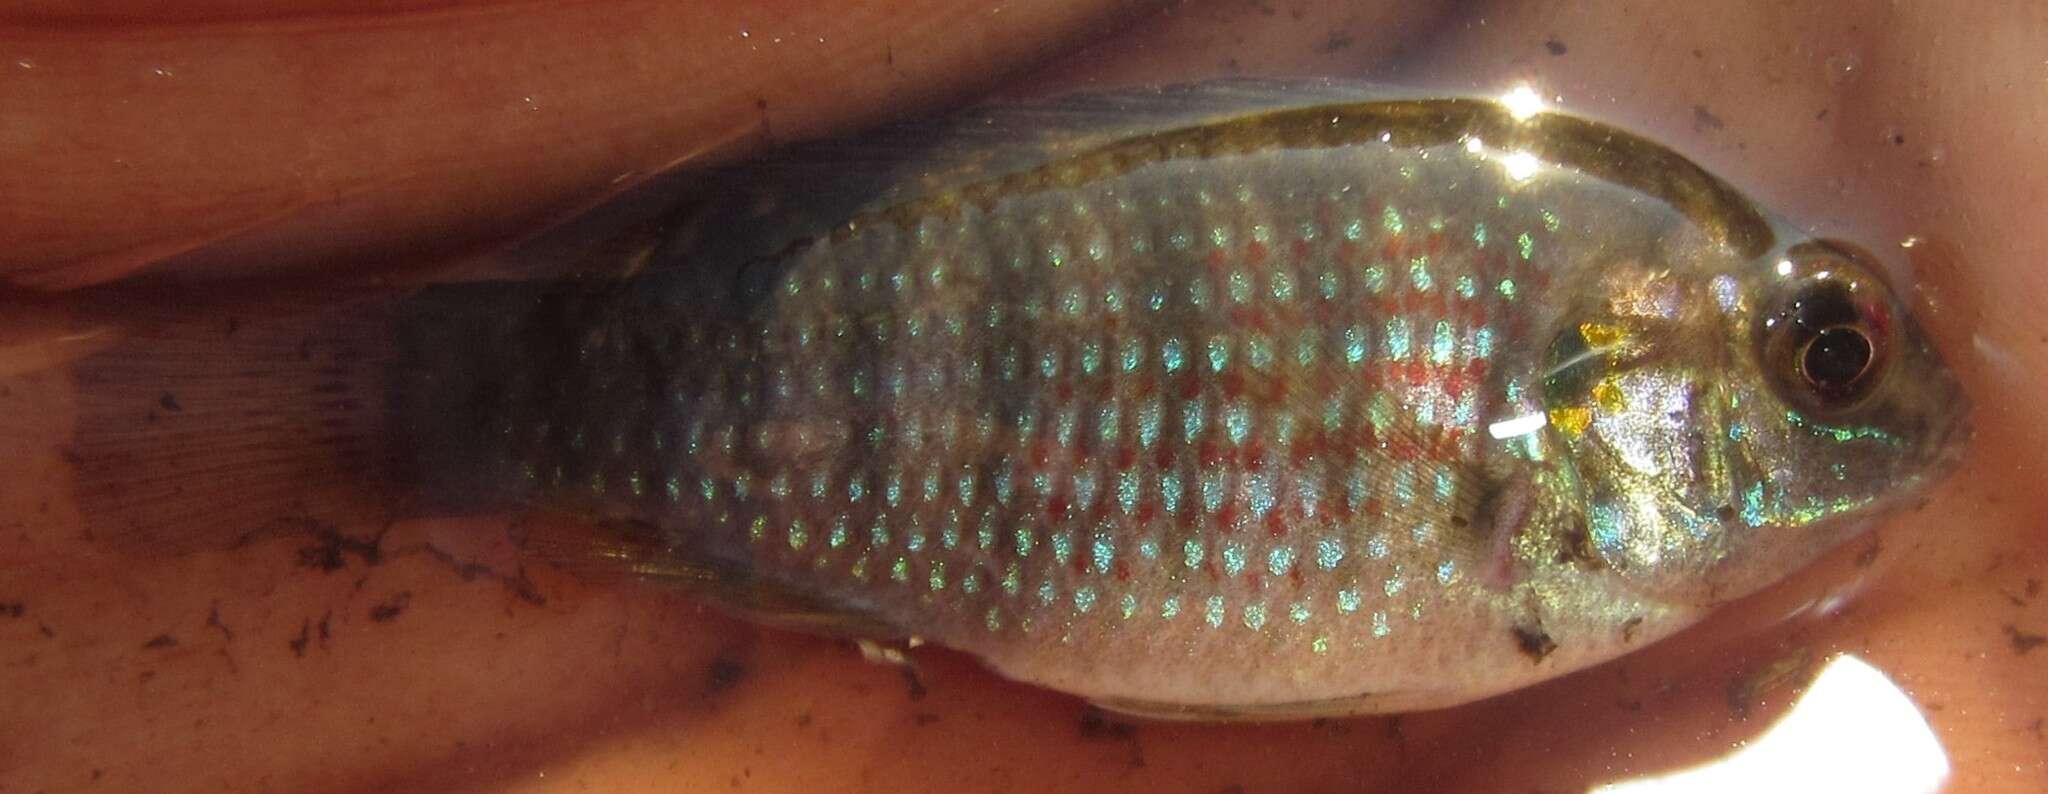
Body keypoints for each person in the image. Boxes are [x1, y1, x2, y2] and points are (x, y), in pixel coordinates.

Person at [2, 1, 2038, 790]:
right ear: (1626, 371)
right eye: (1814, 357)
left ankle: (358, 407)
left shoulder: (1588, 507)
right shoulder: (1580, 333)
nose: (1848, 404)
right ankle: (348, 405)